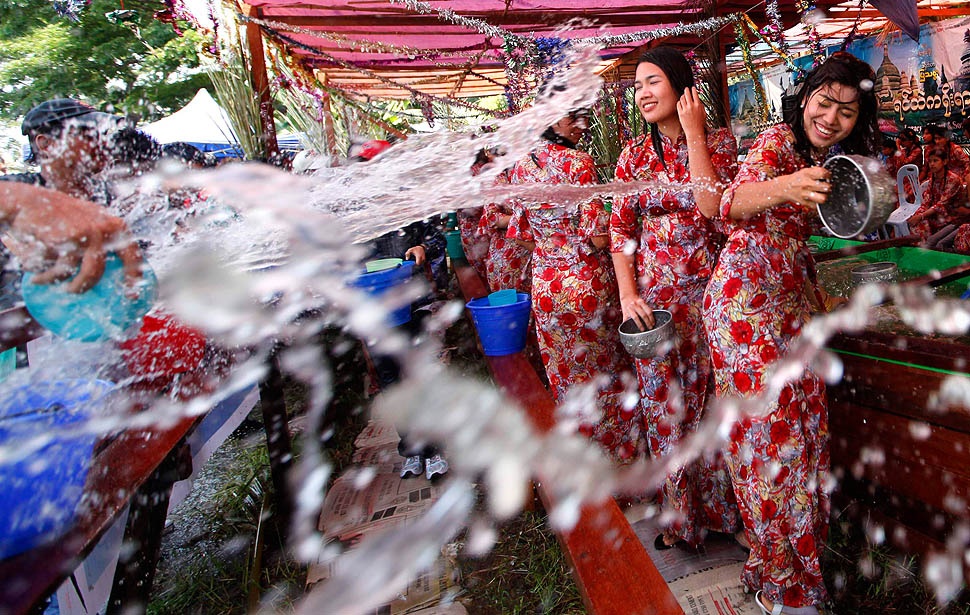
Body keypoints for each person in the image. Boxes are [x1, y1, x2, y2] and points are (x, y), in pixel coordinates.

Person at [704, 51, 879, 614]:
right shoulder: (777, 145)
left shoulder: (828, 156)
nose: (831, 117)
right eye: (824, 102)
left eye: (847, 111)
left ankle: (781, 569)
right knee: (770, 445)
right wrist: (785, 186)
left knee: (804, 440)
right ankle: (787, 589)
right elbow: (725, 204)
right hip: (742, 310)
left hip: (785, 308)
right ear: (805, 99)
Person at [610, 46, 741, 546]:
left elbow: (714, 210)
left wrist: (693, 135)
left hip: (712, 294)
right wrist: (627, 295)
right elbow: (620, 232)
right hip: (657, 306)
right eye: (637, 85)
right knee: (666, 406)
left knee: (711, 404)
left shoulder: (720, 143)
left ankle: (725, 517)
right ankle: (681, 519)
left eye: (653, 82)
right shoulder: (632, 157)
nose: (642, 93)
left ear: (682, 88)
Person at [506, 100, 631, 460]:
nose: (580, 123)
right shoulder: (579, 163)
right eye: (571, 116)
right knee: (604, 373)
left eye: (583, 115)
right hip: (586, 286)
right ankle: (615, 461)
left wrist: (552, 247)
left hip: (546, 286)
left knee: (565, 375)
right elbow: (596, 236)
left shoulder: (519, 169)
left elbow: (520, 233)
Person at [911, 146, 969, 248]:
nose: (932, 164)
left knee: (934, 242)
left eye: (935, 161)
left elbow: (942, 204)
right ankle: (922, 251)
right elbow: (926, 202)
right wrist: (918, 215)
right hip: (937, 215)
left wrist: (921, 216)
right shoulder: (932, 179)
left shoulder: (953, 180)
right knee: (917, 223)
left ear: (945, 162)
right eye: (930, 161)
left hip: (953, 218)